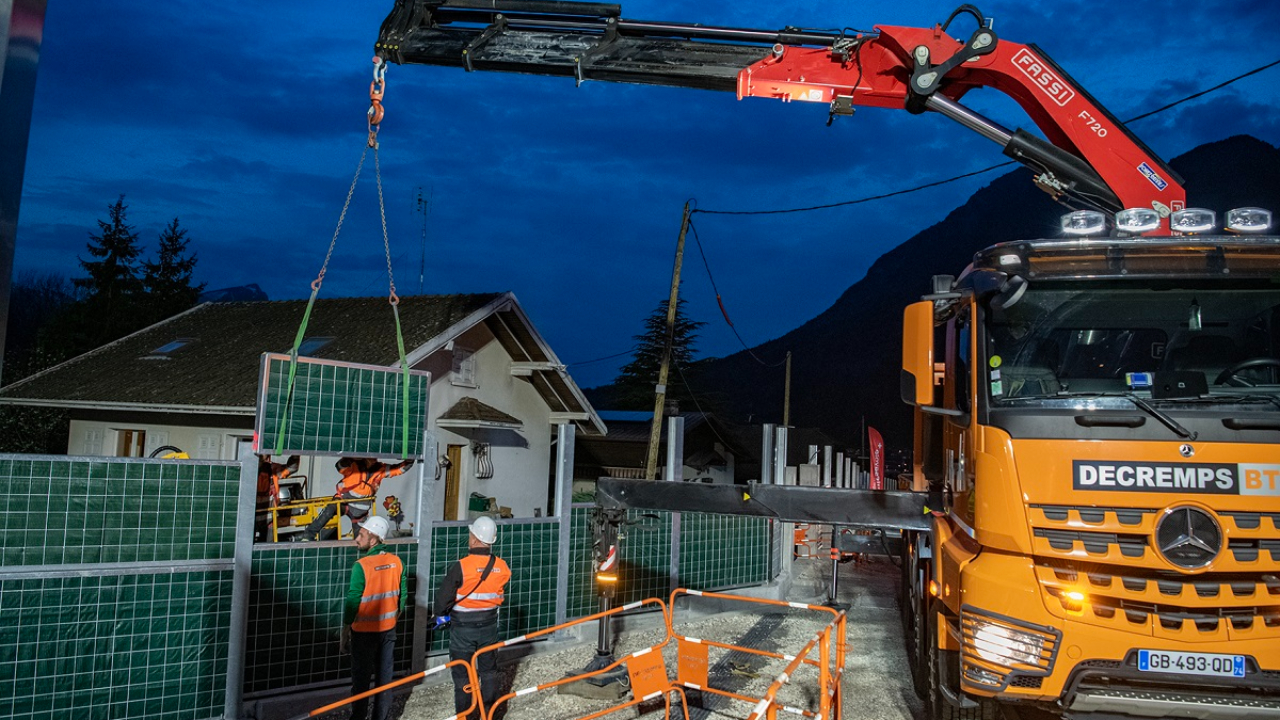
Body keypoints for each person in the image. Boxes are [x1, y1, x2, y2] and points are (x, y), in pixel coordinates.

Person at [434, 516, 510, 720]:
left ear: (476, 539)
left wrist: (440, 616)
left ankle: (466, 717)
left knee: (462, 676)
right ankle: (490, 714)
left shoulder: (461, 566)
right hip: (489, 627)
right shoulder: (502, 567)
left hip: (462, 630)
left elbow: (443, 599)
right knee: (489, 672)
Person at [340, 515, 405, 720]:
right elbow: (402, 598)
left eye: (361, 534)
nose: (357, 539)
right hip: (388, 631)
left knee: (361, 682)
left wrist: (345, 629)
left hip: (364, 635)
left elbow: (353, 600)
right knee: (384, 681)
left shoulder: (362, 566)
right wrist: (393, 619)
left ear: (374, 539)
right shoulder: (396, 562)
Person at [304, 457, 414, 540]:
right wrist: (346, 460)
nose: (372, 460)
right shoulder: (354, 465)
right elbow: (340, 467)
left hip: (360, 511)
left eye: (374, 457)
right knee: (329, 510)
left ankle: (356, 554)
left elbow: (398, 470)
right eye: (370, 457)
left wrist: (409, 460)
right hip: (342, 501)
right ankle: (308, 536)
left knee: (359, 538)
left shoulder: (380, 469)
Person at [255, 454, 299, 542]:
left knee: (267, 548)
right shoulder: (251, 468)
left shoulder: (272, 469)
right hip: (251, 518)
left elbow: (291, 468)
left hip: (269, 519)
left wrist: (295, 455)